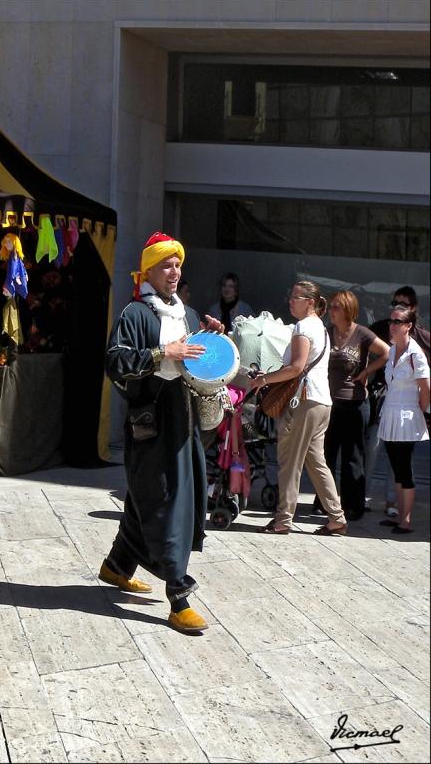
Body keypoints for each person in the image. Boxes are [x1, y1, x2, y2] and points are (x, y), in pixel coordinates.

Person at [102, 232, 224, 634]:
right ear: (149, 271)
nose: (175, 272)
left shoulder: (184, 314)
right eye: (167, 266)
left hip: (182, 415)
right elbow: (115, 362)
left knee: (151, 497)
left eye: (178, 265)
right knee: (167, 502)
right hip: (151, 422)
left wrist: (209, 337)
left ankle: (117, 565)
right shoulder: (135, 314)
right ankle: (179, 596)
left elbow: (192, 362)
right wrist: (161, 354)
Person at [250, 280, 347, 536]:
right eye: (291, 296)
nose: (290, 301)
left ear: (310, 303)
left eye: (295, 297)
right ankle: (336, 518)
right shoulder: (321, 328)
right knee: (316, 461)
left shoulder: (303, 327)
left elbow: (296, 367)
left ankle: (283, 519)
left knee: (289, 461)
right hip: (321, 401)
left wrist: (264, 380)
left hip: (304, 401)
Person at [313, 291, 389, 520]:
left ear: (347, 310)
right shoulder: (327, 333)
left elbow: (387, 352)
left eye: (336, 307)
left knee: (353, 457)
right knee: (325, 455)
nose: (331, 310)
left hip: (356, 404)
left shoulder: (362, 334)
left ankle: (352, 505)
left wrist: (366, 372)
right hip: (330, 402)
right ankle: (324, 502)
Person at [367, 286, 431, 518]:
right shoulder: (393, 350)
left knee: (403, 467)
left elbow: (426, 389)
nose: (391, 325)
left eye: (397, 321)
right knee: (395, 464)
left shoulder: (416, 352)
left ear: (409, 324)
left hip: (408, 414)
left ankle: (404, 518)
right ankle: (397, 512)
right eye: (392, 320)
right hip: (391, 412)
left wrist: (420, 412)